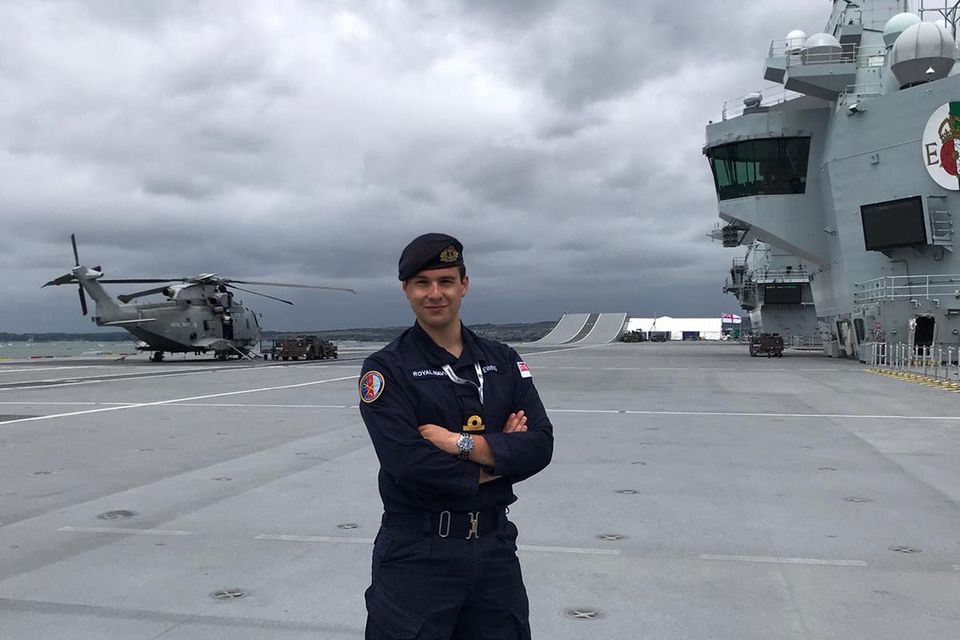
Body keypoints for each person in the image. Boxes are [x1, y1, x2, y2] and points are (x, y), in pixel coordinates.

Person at [358, 232, 554, 640]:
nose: (435, 293)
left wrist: (462, 445)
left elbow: (540, 444)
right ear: (405, 290)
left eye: (446, 281)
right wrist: (501, 456)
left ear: (464, 285)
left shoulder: (503, 360)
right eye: (422, 283)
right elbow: (408, 464)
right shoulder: (386, 370)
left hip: (495, 549)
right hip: (417, 554)